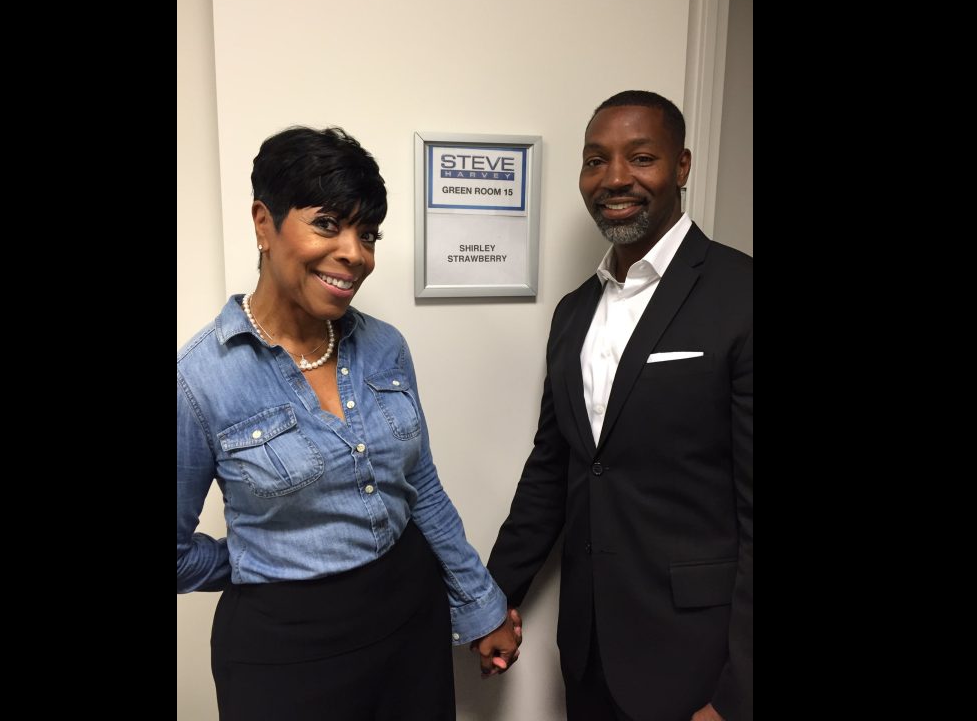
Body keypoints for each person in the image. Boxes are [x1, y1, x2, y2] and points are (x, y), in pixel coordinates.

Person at [177, 125, 520, 720]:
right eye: (327, 224)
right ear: (263, 223)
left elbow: (422, 489)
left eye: (367, 234)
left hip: (410, 622)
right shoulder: (198, 380)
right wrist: (258, 558)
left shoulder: (386, 347)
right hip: (285, 656)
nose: (355, 254)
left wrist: (481, 605)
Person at [473, 90, 752, 721]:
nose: (615, 178)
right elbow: (552, 472)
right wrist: (489, 600)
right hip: (589, 652)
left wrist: (738, 696)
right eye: (596, 160)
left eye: (641, 157)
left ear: (682, 166)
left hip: (700, 664)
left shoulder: (741, 296)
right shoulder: (574, 312)